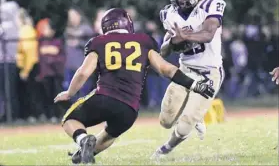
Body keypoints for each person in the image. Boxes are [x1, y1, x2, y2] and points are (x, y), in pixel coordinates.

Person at [54, 8, 215, 164]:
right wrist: (194, 84)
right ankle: (84, 154)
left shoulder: (99, 42)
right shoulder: (143, 41)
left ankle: (82, 140)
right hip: (130, 109)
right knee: (109, 135)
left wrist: (69, 93)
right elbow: (166, 69)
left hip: (105, 96)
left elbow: (83, 72)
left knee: (70, 119)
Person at [152, 0, 226, 158]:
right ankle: (197, 115)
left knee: (185, 126)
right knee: (166, 120)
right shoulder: (168, 13)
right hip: (185, 71)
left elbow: (208, 33)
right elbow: (164, 51)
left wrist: (186, 36)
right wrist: (173, 42)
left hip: (209, 72)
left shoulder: (210, 5)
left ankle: (165, 149)